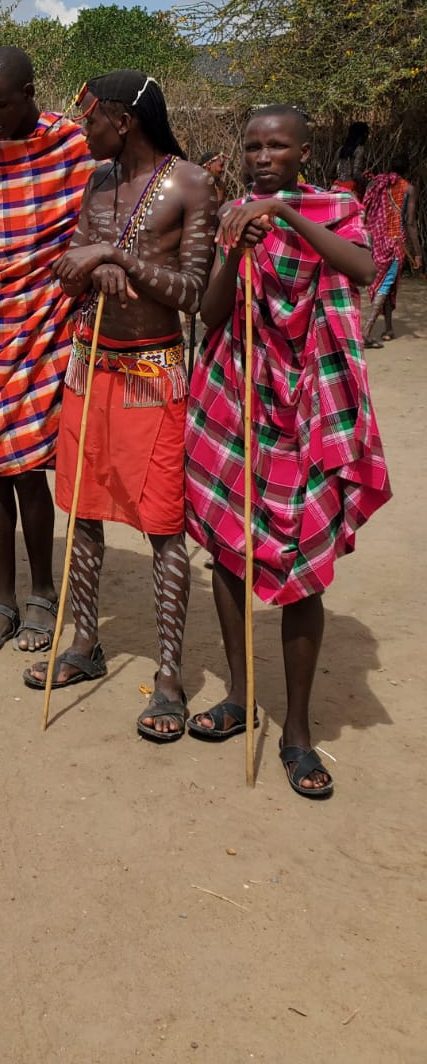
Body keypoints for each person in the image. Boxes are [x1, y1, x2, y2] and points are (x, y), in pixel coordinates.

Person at [186, 105, 391, 798]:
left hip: (309, 402)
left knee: (304, 567)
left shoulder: (334, 208)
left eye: (277, 146)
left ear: (304, 150)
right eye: (253, 146)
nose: (263, 156)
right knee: (227, 546)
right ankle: (242, 699)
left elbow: (362, 269)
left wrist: (287, 218)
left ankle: (298, 734)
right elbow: (212, 314)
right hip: (241, 395)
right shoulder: (232, 217)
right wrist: (234, 250)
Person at [24, 72, 217, 742]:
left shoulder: (191, 183)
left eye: (90, 121)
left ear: (121, 120)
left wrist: (118, 259)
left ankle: (169, 678)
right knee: (81, 511)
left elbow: (192, 291)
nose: (84, 133)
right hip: (89, 366)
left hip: (152, 375)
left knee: (164, 528)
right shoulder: (97, 182)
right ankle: (85, 642)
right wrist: (94, 263)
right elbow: (65, 264)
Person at [0, 47, 94, 659]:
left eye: (1, 106)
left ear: (30, 93)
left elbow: (95, 222)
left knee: (28, 463)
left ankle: (42, 591)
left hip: (44, 315)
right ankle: (2, 598)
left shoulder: (69, 144)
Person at [361, 153, 419, 347]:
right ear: (407, 170)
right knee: (385, 285)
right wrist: (418, 253)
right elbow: (410, 222)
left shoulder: (377, 184)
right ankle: (367, 331)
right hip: (395, 245)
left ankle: (388, 328)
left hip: (376, 241)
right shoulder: (408, 188)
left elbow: (365, 210)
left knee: (388, 283)